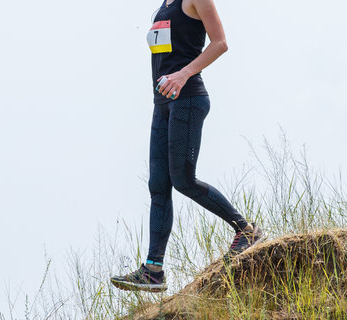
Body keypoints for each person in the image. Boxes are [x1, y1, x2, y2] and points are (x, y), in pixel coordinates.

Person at [111, 0, 263, 293]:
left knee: (183, 180)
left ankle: (246, 230)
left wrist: (183, 74)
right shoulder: (163, 7)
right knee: (158, 184)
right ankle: (153, 270)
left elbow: (220, 43)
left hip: (189, 98)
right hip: (163, 105)